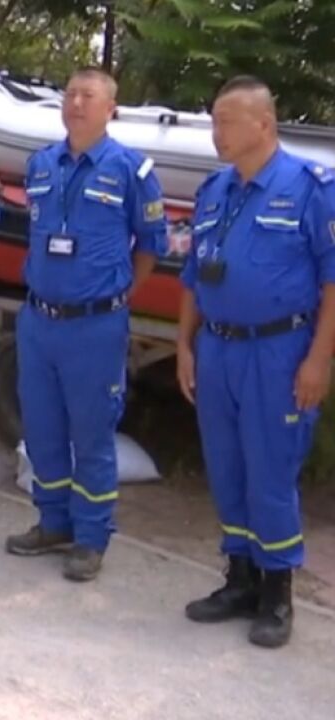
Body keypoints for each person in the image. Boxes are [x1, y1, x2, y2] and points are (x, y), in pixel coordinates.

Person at [177, 76, 334, 649]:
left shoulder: (313, 187)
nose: (215, 130)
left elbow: (333, 280)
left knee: (270, 471)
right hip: (217, 347)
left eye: (225, 119)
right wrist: (184, 346)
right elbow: (195, 274)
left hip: (278, 350)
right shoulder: (215, 190)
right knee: (227, 467)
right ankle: (239, 578)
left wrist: (319, 361)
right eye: (213, 119)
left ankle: (276, 593)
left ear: (262, 124)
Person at [4, 67, 166, 581]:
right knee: (43, 429)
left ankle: (91, 537)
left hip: (95, 327)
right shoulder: (41, 165)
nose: (76, 102)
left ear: (110, 107)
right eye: (70, 94)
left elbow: (151, 247)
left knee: (92, 433)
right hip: (39, 320)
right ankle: (53, 523)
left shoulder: (131, 171)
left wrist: (115, 295)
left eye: (88, 95)